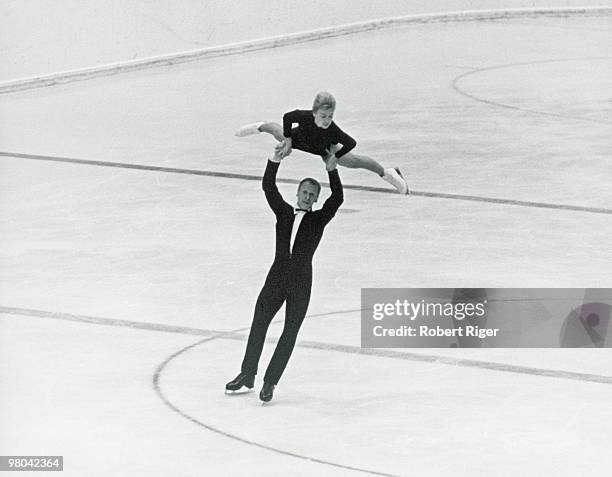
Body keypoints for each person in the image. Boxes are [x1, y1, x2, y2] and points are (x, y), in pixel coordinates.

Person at [226, 148, 343, 403]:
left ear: (314, 200)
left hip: (301, 283)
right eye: (305, 192)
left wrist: (332, 169)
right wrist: (275, 160)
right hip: (276, 278)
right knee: (259, 323)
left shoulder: (319, 220)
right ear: (298, 193)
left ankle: (270, 382)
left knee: (289, 333)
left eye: (312, 195)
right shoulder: (284, 214)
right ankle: (247, 373)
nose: (307, 197)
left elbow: (338, 198)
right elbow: (269, 187)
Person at [235, 91, 409, 194]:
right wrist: (288, 139)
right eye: (323, 116)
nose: (327, 120)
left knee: (354, 161)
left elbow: (351, 142)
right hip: (299, 139)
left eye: (330, 116)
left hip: (324, 148)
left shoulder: (333, 130)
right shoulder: (304, 116)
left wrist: (335, 156)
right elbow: (288, 117)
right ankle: (259, 126)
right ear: (314, 112)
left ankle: (387, 173)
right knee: (276, 131)